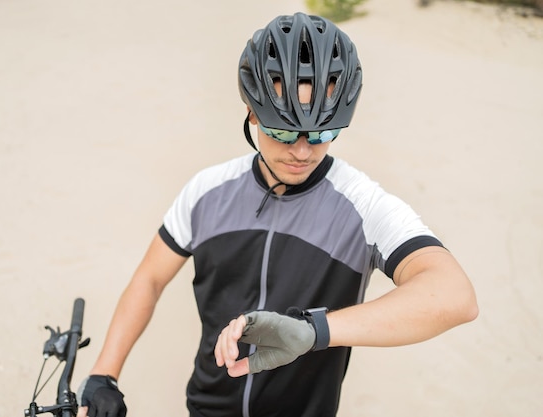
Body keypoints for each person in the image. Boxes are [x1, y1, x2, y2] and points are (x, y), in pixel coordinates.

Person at [76, 12, 478, 417]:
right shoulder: (205, 191)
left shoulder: (365, 206)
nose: (301, 151)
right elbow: (149, 278)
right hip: (205, 409)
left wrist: (313, 331)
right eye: (283, 131)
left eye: (322, 132)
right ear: (251, 112)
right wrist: (104, 373)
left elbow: (455, 296)